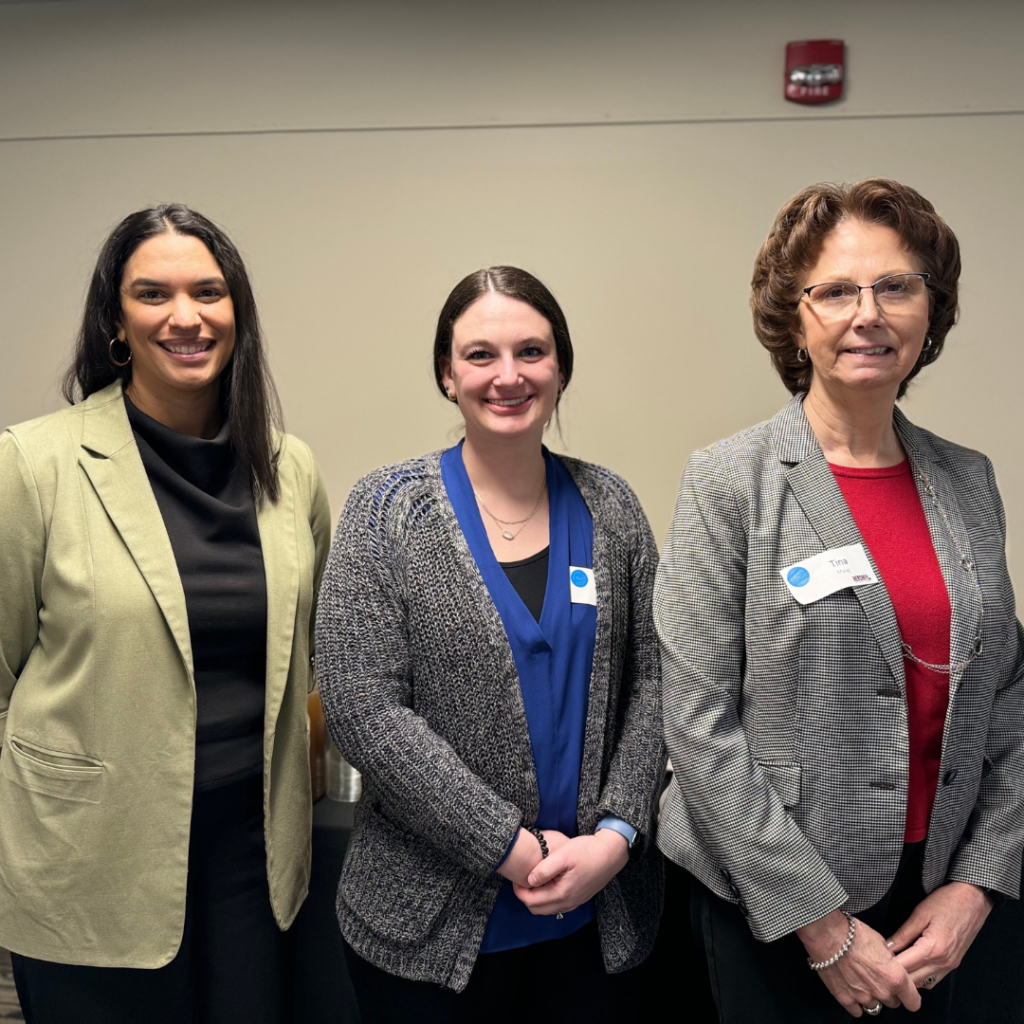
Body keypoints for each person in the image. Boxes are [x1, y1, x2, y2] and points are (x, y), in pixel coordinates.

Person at [655, 179, 1024, 1022]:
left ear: (932, 310)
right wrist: (821, 928)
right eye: (835, 291)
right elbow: (698, 725)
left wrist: (976, 884)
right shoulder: (730, 481)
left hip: (936, 903)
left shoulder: (969, 482)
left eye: (896, 286)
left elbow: (1008, 701)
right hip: (773, 910)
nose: (869, 313)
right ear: (795, 316)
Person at [0, 205, 331, 1024]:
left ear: (236, 313)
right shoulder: (33, 463)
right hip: (90, 867)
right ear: (117, 321)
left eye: (208, 293)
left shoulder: (291, 468)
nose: (185, 317)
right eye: (153, 294)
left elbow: (311, 660)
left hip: (252, 869)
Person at [315, 266, 664, 1022]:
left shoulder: (613, 507)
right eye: (480, 355)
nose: (508, 376)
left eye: (531, 352)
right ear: (447, 374)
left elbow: (657, 684)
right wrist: (508, 846)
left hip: (598, 918)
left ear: (561, 368)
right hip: (423, 928)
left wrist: (617, 835)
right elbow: (360, 707)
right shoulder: (386, 511)